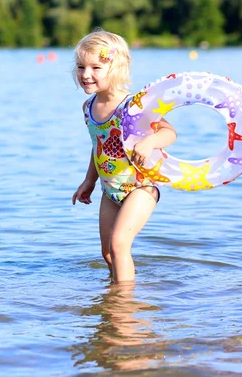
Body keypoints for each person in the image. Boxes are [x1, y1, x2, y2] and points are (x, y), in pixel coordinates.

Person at [71, 29, 177, 283]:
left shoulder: (134, 107)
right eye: (81, 66)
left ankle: (125, 304)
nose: (86, 75)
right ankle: (113, 296)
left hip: (141, 187)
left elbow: (169, 132)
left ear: (116, 68)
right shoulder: (88, 107)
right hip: (110, 190)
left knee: (119, 245)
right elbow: (99, 145)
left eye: (96, 67)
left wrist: (150, 141)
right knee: (107, 253)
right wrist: (90, 180)